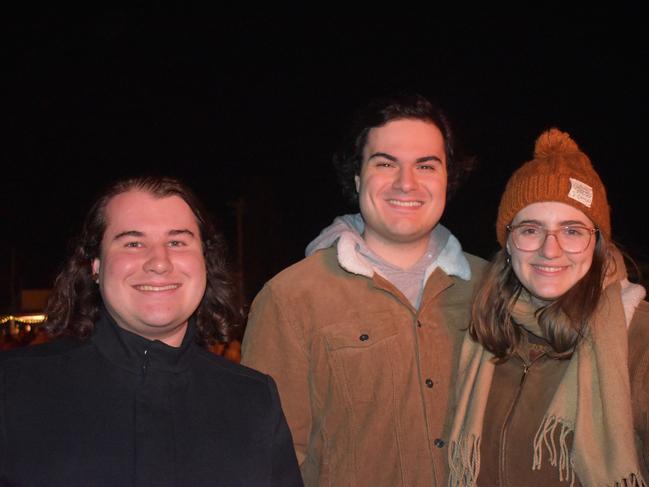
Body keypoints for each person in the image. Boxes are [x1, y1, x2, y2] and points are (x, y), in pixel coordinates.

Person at [241, 93, 486, 486]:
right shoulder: (290, 298)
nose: (406, 183)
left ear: (448, 180)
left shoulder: (492, 291)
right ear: (357, 178)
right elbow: (266, 459)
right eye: (386, 163)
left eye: (426, 165)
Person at [0, 176, 303, 487]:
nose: (159, 262)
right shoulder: (13, 388)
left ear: (204, 261)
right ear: (95, 265)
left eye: (177, 242)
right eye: (133, 243)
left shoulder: (253, 400)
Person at [448, 128, 649, 486]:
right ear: (508, 243)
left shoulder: (638, 338)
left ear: (597, 243)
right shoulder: (484, 333)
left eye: (572, 230)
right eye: (530, 229)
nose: (550, 249)